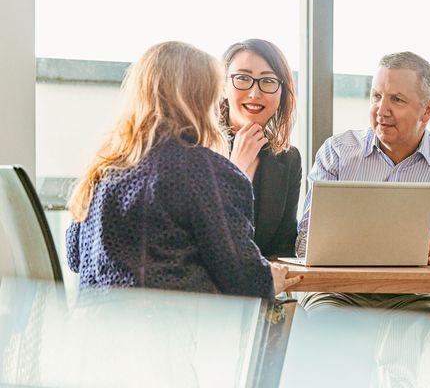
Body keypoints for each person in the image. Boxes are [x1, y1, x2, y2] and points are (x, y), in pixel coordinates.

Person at [65, 41, 301, 299]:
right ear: (197, 99)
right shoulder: (202, 169)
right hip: (173, 328)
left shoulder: (106, 167)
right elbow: (242, 278)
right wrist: (269, 279)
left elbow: (74, 255)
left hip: (97, 328)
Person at [294, 51, 430, 385]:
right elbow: (305, 239)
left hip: (415, 296)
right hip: (338, 293)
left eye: (397, 99)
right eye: (376, 96)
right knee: (324, 330)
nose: (382, 109)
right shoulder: (336, 153)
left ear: (428, 109)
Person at [220, 39, 301, 259]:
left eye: (267, 81)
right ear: (223, 87)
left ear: (281, 92)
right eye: (243, 78)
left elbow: (283, 246)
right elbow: (199, 236)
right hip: (206, 290)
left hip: (262, 287)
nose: (255, 93)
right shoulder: (197, 145)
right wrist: (235, 169)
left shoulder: (288, 158)